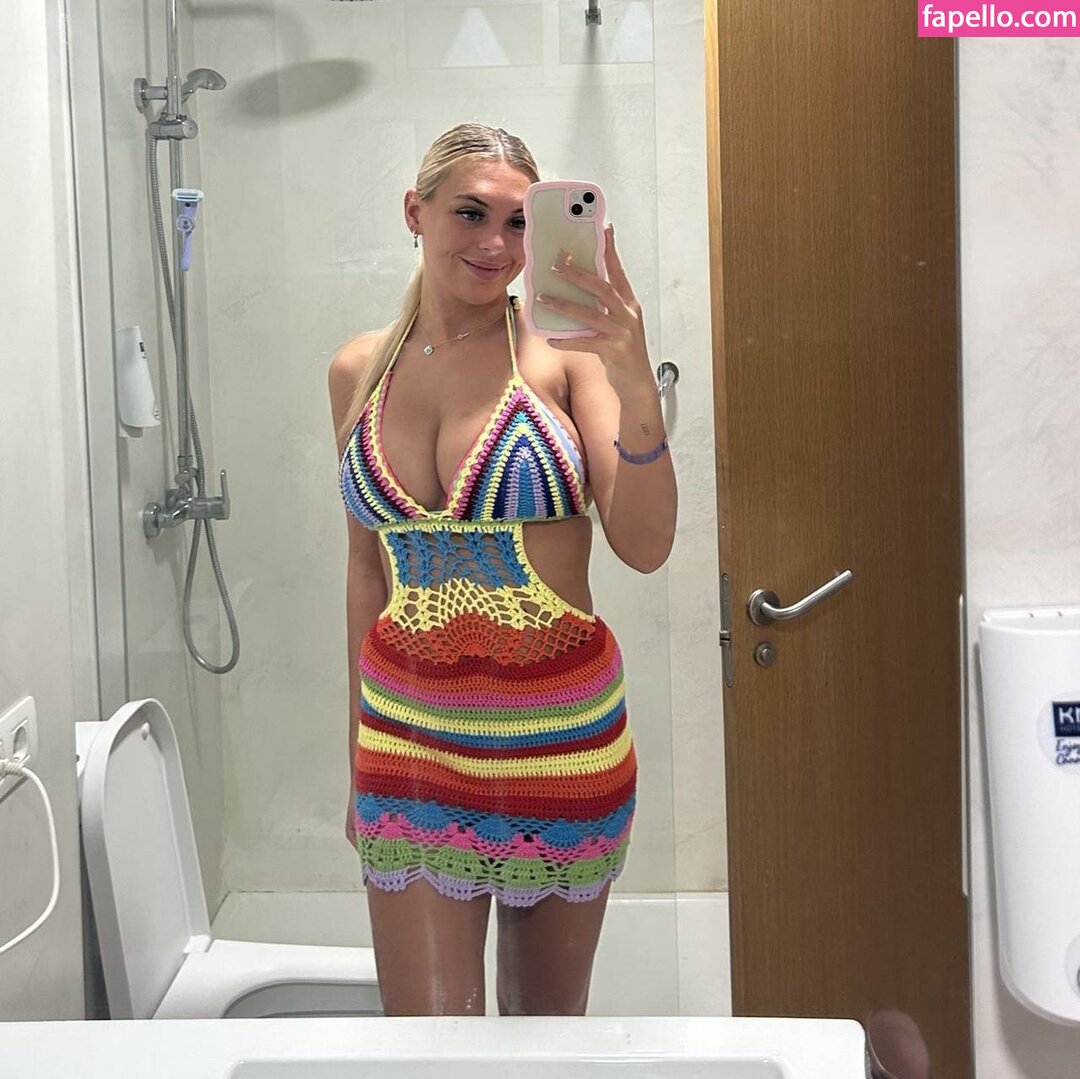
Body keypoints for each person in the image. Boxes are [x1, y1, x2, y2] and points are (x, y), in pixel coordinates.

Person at [329, 122, 677, 1016]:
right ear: (416, 212)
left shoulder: (566, 360)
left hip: (560, 742)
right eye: (470, 213)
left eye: (521, 222)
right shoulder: (358, 369)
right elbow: (365, 573)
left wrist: (635, 383)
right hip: (408, 745)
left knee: (541, 1041)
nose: (496, 243)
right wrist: (357, 750)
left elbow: (645, 545)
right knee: (427, 1050)